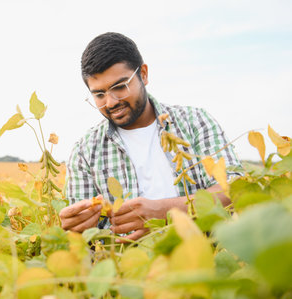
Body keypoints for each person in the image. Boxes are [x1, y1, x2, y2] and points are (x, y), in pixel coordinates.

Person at [59, 32, 241, 242]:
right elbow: (88, 239)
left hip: (206, 257)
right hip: (130, 270)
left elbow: (236, 188)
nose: (110, 102)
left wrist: (167, 212)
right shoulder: (85, 151)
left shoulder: (195, 121)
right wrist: (77, 227)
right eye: (99, 94)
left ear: (143, 74)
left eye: (120, 87)